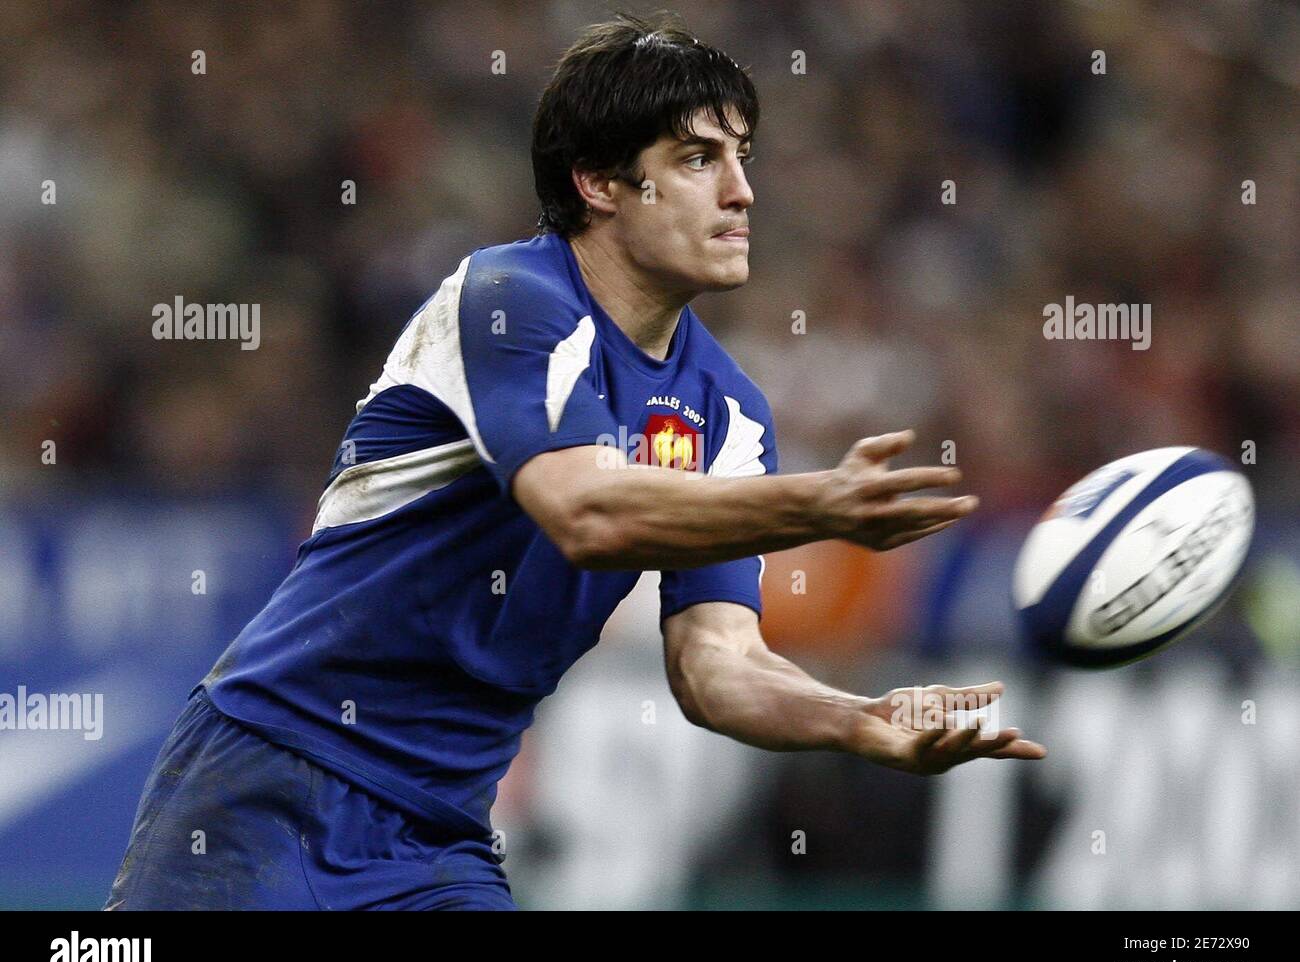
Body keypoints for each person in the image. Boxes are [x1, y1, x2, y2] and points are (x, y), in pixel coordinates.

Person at [106, 12, 1044, 912]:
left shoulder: (726, 413)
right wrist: (820, 507)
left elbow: (716, 667)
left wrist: (861, 720)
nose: (741, 191)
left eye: (741, 158)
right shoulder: (509, 300)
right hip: (270, 782)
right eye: (696, 159)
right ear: (599, 181)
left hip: (436, 836)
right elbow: (586, 514)